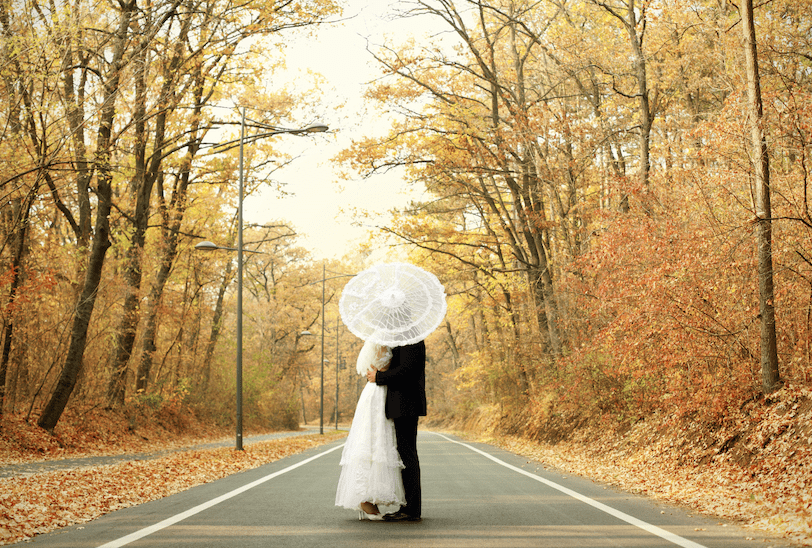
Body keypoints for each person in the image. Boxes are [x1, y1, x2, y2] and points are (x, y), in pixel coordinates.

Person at [335, 339, 405, 520]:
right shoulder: (380, 339)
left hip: (380, 390)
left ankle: (368, 499)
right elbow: (382, 366)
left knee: (377, 442)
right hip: (377, 393)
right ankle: (365, 500)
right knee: (371, 442)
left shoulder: (385, 338)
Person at [366, 339, 426, 522]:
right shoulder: (403, 338)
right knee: (405, 454)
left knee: (407, 455)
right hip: (400, 404)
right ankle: (409, 506)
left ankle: (412, 509)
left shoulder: (412, 339)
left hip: (406, 404)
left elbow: (407, 371)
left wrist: (380, 378)